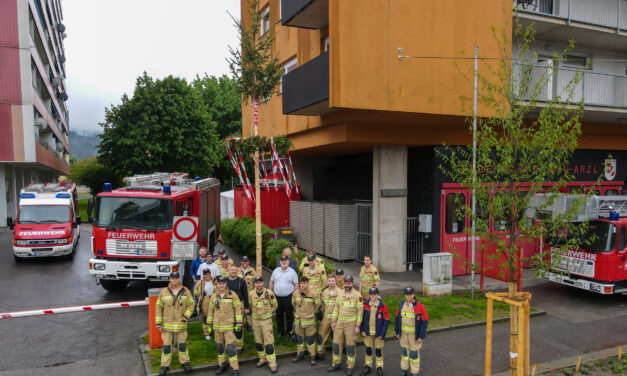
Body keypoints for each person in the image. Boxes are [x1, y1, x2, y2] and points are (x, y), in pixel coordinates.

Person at [155, 271, 194, 376]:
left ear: (179, 279)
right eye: (173, 278)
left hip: (181, 324)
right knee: (167, 347)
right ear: (170, 279)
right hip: (167, 325)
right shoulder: (164, 292)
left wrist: (186, 316)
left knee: (182, 345)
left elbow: (191, 304)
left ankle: (185, 363)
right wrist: (158, 323)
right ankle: (165, 365)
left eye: (176, 278)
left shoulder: (185, 291)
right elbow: (158, 307)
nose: (175, 280)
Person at [207, 276, 243, 376]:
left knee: (231, 349)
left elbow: (238, 310)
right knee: (220, 348)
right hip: (217, 327)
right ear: (217, 284)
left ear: (226, 284)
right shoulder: (213, 296)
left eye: (223, 283)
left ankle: (235, 369)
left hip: (228, 328)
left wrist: (239, 324)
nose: (221, 285)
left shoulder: (233, 295)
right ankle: (222, 365)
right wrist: (208, 325)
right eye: (219, 283)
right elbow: (210, 311)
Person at [328, 275, 363, 375]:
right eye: (346, 283)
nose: (347, 285)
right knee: (336, 344)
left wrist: (358, 326)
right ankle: (336, 364)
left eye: (349, 283)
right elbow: (336, 308)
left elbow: (360, 313)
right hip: (340, 322)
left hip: (351, 324)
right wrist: (333, 321)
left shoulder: (358, 296)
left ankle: (350, 366)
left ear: (352, 283)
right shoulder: (340, 293)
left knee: (350, 347)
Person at [395, 287, 429, 376]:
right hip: (403, 334)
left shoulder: (419, 306)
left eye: (410, 294)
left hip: (414, 335)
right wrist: (397, 332)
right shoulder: (401, 304)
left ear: (413, 294)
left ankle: (414, 372)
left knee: (414, 354)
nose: (409, 296)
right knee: (404, 352)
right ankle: (404, 369)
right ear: (404, 295)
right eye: (407, 294)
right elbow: (397, 318)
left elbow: (425, 321)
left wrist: (421, 336)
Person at [249, 276, 279, 373]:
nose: (258, 284)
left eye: (260, 282)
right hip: (255, 321)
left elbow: (275, 305)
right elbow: (249, 306)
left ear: (263, 283)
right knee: (258, 343)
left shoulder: (269, 293)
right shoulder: (251, 294)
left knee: (269, 343)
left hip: (266, 321)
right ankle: (262, 359)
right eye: (256, 283)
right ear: (254, 284)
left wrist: (268, 313)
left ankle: (272, 363)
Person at [292, 276, 322, 366]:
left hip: (309, 321)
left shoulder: (314, 293)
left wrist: (310, 313)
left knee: (310, 340)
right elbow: (294, 304)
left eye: (305, 283)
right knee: (300, 340)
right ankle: (300, 354)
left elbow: (317, 306)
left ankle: (312, 355)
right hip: (299, 321)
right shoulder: (295, 293)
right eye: (301, 283)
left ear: (308, 283)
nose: (303, 285)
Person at [360, 287, 389, 376]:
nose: (373, 296)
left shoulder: (382, 306)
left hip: (378, 333)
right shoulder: (365, 305)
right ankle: (367, 367)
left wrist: (382, 333)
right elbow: (361, 318)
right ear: (369, 295)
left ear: (378, 295)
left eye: (375, 294)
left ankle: (379, 368)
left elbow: (386, 320)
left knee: (378, 351)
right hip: (368, 333)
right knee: (368, 350)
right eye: (371, 294)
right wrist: (362, 330)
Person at [269, 255, 299, 338]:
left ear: (288, 261)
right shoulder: (275, 271)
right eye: (282, 260)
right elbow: (271, 282)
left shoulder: (292, 272)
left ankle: (289, 332)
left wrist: (294, 295)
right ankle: (280, 332)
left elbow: (296, 284)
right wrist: (270, 292)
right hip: (277, 297)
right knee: (279, 315)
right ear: (280, 262)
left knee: (289, 315)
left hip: (288, 297)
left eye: (285, 260)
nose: (283, 262)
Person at [226, 264, 250, 352]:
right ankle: (231, 343)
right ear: (229, 270)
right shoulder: (225, 281)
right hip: (227, 305)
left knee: (238, 325)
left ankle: (239, 346)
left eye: (235, 270)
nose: (233, 271)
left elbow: (245, 295)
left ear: (237, 271)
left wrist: (247, 306)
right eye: (232, 270)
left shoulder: (241, 281)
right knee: (229, 325)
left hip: (239, 305)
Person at [317, 273, 340, 361]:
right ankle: (320, 353)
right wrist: (320, 312)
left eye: (333, 281)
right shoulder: (324, 292)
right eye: (329, 281)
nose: (331, 283)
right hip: (326, 317)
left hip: (336, 318)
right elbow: (322, 304)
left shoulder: (341, 292)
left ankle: (338, 357)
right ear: (327, 281)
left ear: (336, 281)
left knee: (338, 338)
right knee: (320, 336)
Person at [194, 268, 216, 340]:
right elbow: (195, 293)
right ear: (203, 275)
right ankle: (206, 332)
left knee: (215, 314)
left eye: (208, 273)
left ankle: (213, 330)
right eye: (205, 274)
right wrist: (200, 298)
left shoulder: (214, 280)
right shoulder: (199, 282)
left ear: (210, 273)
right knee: (205, 316)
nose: (207, 275)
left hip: (214, 298)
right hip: (205, 300)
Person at [238, 256, 256, 332]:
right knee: (241, 309)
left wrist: (254, 293)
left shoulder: (252, 270)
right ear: (241, 262)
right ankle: (244, 324)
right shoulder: (238, 270)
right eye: (243, 261)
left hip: (250, 294)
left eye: (246, 261)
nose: (244, 263)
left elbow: (255, 282)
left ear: (248, 262)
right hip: (241, 294)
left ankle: (250, 324)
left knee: (249, 309)